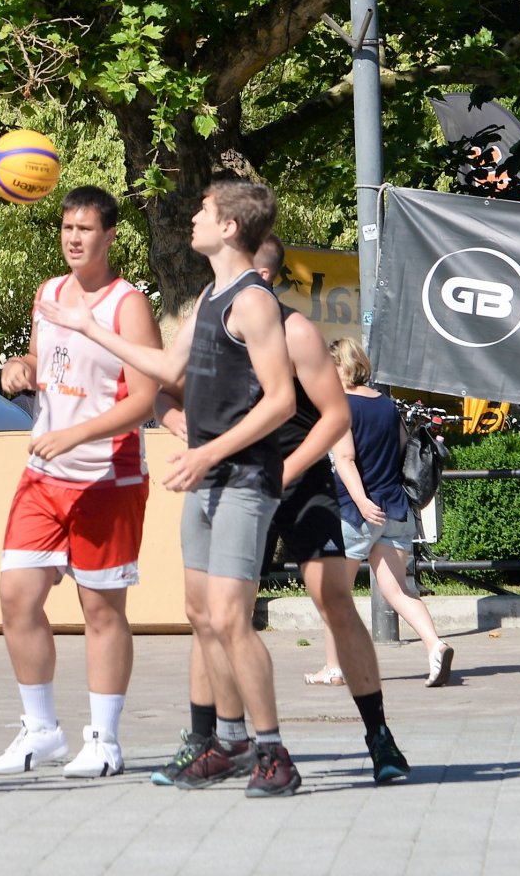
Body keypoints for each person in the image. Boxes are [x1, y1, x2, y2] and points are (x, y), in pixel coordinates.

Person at [39, 179, 302, 798]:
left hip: (241, 479)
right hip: (206, 476)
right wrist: (86, 325)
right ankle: (230, 741)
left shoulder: (254, 303)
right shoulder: (213, 293)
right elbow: (164, 370)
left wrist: (207, 450)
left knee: (233, 618)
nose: (193, 218)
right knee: (200, 615)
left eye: (204, 211)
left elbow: (282, 400)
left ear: (230, 228)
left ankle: (274, 754)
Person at [154, 235, 409, 785]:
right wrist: (176, 422)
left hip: (295, 481)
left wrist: (287, 471)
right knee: (214, 614)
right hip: (235, 484)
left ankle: (380, 738)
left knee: (333, 599)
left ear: (266, 282)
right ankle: (213, 740)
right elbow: (164, 388)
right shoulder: (211, 322)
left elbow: (335, 417)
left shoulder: (294, 332)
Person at [0, 186, 161, 779]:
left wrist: (78, 434)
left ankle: (105, 740)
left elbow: (145, 399)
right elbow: (44, 362)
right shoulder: (47, 293)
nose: (73, 238)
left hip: (106, 479)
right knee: (16, 595)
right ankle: (42, 731)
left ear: (110, 235)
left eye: (85, 229)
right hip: (45, 475)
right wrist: (22, 368)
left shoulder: (127, 305)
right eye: (66, 228)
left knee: (101, 611)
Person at [329, 338, 456, 688]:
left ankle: (334, 667)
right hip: (396, 508)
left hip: (358, 513)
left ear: (342, 366)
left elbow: (344, 460)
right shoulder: (386, 405)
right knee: (399, 592)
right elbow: (404, 451)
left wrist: (360, 501)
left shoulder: (340, 404)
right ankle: (435, 645)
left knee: (335, 593)